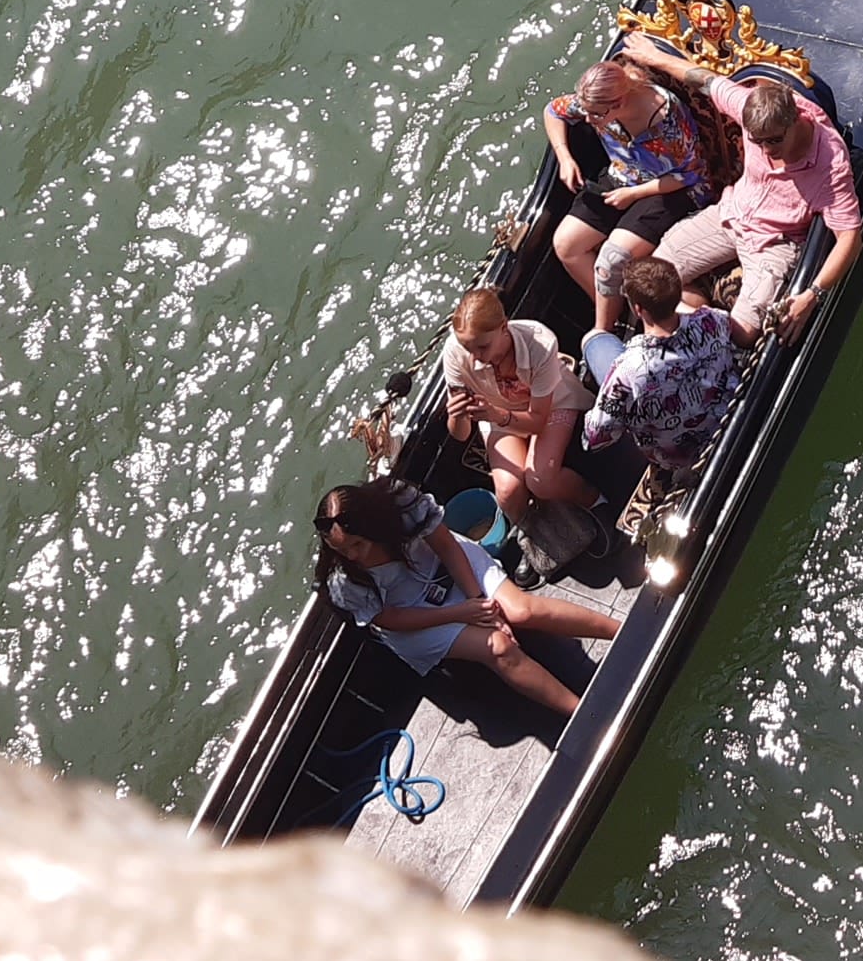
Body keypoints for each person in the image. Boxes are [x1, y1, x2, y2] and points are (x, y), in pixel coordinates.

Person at [311, 474, 618, 717]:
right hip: (413, 614)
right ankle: (581, 713)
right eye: (342, 550)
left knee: (521, 610)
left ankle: (620, 631)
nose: (352, 556)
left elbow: (446, 546)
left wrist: (481, 605)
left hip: (447, 564)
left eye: (358, 544)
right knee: (498, 648)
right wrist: (460, 614)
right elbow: (389, 619)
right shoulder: (341, 578)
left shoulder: (400, 501)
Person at [613, 30, 861, 331]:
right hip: (730, 213)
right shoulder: (748, 106)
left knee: (744, 333)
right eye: (758, 141)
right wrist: (655, 57)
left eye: (774, 141)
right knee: (657, 278)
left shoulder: (830, 163)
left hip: (775, 241)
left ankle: (711, 328)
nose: (766, 150)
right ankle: (705, 320)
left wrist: (812, 294)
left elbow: (850, 238)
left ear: (795, 119)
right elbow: (706, 80)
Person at [539, 58, 710, 334]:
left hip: (670, 189)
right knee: (566, 244)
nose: (588, 120)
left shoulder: (665, 119)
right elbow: (553, 111)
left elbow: (690, 174)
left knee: (612, 258)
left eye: (596, 115)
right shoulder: (595, 105)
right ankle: (617, 316)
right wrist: (564, 157)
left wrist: (633, 194)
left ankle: (603, 331)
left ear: (618, 103)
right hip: (623, 176)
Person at [580, 255, 759, 475]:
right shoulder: (711, 321)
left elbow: (595, 438)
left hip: (690, 458)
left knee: (594, 340)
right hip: (735, 415)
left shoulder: (626, 374)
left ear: (638, 310)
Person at [438, 286, 595, 525]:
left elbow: (538, 421)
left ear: (504, 327)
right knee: (507, 494)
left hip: (551, 405)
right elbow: (461, 435)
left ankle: (595, 502)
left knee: (541, 480)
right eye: (468, 349)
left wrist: (497, 415)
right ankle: (533, 529)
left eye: (483, 347)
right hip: (497, 412)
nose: (475, 358)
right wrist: (456, 415)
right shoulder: (454, 354)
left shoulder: (539, 343)